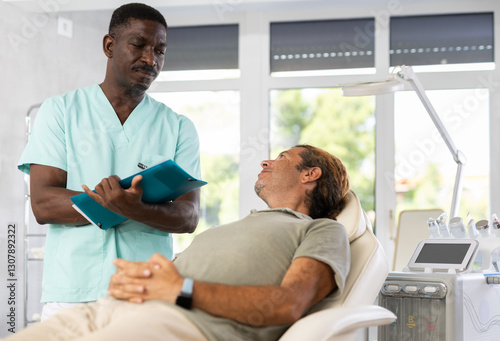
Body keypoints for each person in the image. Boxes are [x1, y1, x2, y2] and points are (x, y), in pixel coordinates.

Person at [9, 145, 351, 341]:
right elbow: (172, 280)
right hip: (113, 309)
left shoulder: (323, 230)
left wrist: (179, 290)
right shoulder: (237, 226)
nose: (266, 161)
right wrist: (140, 281)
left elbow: (288, 304)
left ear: (310, 174)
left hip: (187, 327)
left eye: (282, 157)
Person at [17, 3, 201, 320]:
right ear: (109, 45)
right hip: (73, 295)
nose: (151, 59)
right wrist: (125, 205)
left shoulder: (178, 127)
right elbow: (44, 204)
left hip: (147, 294)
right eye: (139, 44)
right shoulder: (60, 112)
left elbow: (189, 216)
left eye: (160, 49)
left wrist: (134, 207)